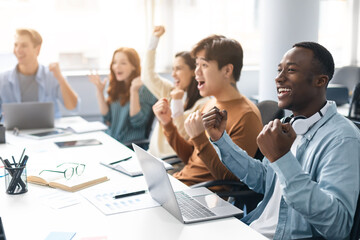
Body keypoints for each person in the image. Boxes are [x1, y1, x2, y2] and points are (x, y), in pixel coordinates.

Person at [203, 42, 360, 239]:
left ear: (320, 81)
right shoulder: (288, 125)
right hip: (252, 228)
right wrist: (221, 139)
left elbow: (338, 226)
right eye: (279, 70)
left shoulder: (342, 139)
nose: (279, 78)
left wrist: (283, 159)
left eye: (291, 70)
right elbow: (264, 180)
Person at [152, 35, 263, 189]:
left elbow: (233, 180)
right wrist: (168, 125)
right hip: (182, 186)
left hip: (206, 198)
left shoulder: (247, 115)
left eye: (204, 65)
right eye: (196, 65)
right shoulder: (210, 104)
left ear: (227, 70)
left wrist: (199, 138)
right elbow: (191, 158)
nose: (196, 72)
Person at [142, 25, 208, 158]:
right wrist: (154, 39)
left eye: (179, 69)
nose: (173, 74)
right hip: (151, 157)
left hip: (171, 162)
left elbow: (182, 134)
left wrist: (177, 102)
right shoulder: (170, 92)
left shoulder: (203, 103)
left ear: (192, 71)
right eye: (172, 69)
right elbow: (147, 76)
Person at [0, 28, 79, 118]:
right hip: (14, 131)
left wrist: (60, 79)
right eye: (16, 45)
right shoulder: (2, 79)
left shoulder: (52, 76)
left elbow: (73, 107)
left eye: (24, 45)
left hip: (48, 131)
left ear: (37, 49)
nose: (18, 50)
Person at [89, 47, 157, 144]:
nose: (117, 66)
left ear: (134, 66)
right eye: (114, 62)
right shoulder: (117, 86)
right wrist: (99, 92)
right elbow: (107, 118)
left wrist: (134, 91)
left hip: (129, 145)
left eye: (123, 63)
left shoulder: (144, 89)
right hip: (111, 141)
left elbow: (138, 122)